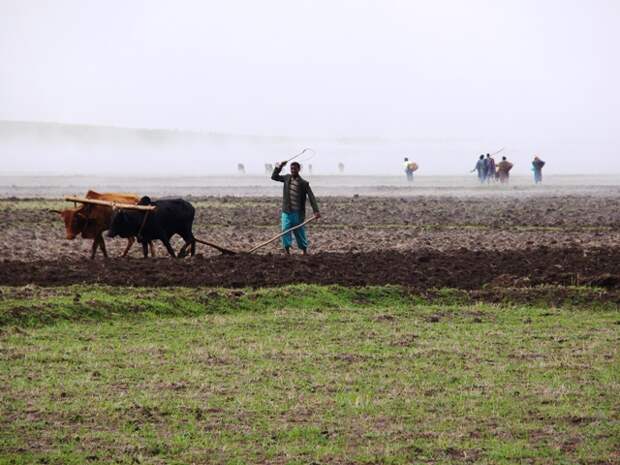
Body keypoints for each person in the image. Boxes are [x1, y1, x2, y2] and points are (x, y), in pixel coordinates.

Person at [271, 161, 320, 255]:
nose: (293, 170)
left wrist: (316, 211)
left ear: (299, 169)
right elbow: (274, 177)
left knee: (300, 232)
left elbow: (311, 197)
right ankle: (287, 251)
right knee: (285, 230)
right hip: (286, 211)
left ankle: (304, 250)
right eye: (291, 168)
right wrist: (280, 166)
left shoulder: (304, 183)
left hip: (298, 213)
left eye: (294, 168)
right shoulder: (286, 178)